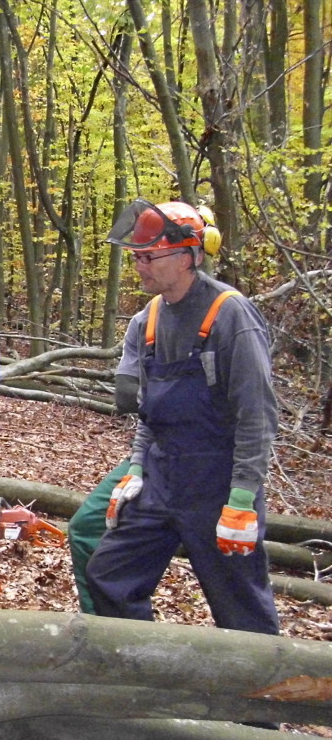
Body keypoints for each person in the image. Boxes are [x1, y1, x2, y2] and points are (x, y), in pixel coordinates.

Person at [86, 200, 280, 634]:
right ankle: (149, 668)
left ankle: (259, 694)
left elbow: (257, 415)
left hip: (217, 479)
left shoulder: (230, 314)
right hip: (160, 472)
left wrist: (243, 499)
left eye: (149, 256)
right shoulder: (147, 320)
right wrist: (135, 468)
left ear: (189, 255)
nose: (139, 266)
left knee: (239, 603)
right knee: (111, 575)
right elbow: (151, 410)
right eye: (136, 256)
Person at [67, 334, 140, 613]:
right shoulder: (148, 319)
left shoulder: (228, 313)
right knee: (86, 527)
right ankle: (101, 627)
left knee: (225, 567)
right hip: (148, 456)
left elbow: (254, 407)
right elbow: (126, 395)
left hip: (212, 463)